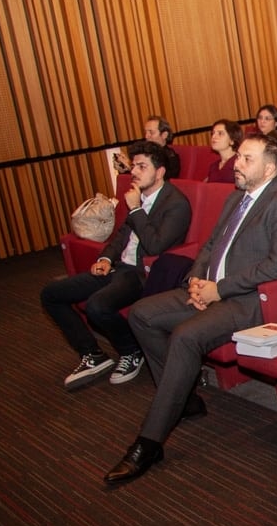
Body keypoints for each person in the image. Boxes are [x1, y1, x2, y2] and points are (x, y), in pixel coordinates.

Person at [104, 133, 277, 484]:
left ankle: (149, 441)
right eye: (239, 157)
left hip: (250, 301)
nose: (237, 164)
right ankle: (183, 397)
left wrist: (220, 289)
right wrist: (197, 281)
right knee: (141, 314)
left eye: (246, 159)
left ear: (270, 167)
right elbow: (210, 244)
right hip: (211, 290)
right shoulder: (235, 199)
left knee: (185, 336)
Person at [42, 142, 192, 390]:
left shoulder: (175, 203)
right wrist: (105, 259)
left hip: (143, 273)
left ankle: (132, 350)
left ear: (160, 171)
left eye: (142, 166)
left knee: (97, 306)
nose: (134, 171)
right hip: (119, 268)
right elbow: (122, 234)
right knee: (51, 293)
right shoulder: (140, 196)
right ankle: (92, 354)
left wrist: (135, 208)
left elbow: (155, 245)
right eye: (134, 165)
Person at [113, 116, 181, 180]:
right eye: (146, 132)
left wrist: (131, 167)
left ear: (164, 135)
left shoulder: (170, 157)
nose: (146, 136)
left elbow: (160, 180)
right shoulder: (144, 153)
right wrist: (124, 169)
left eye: (151, 132)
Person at [205, 119, 242, 183]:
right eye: (213, 133)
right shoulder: (214, 166)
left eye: (220, 133)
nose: (213, 136)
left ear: (232, 140)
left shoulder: (240, 162)